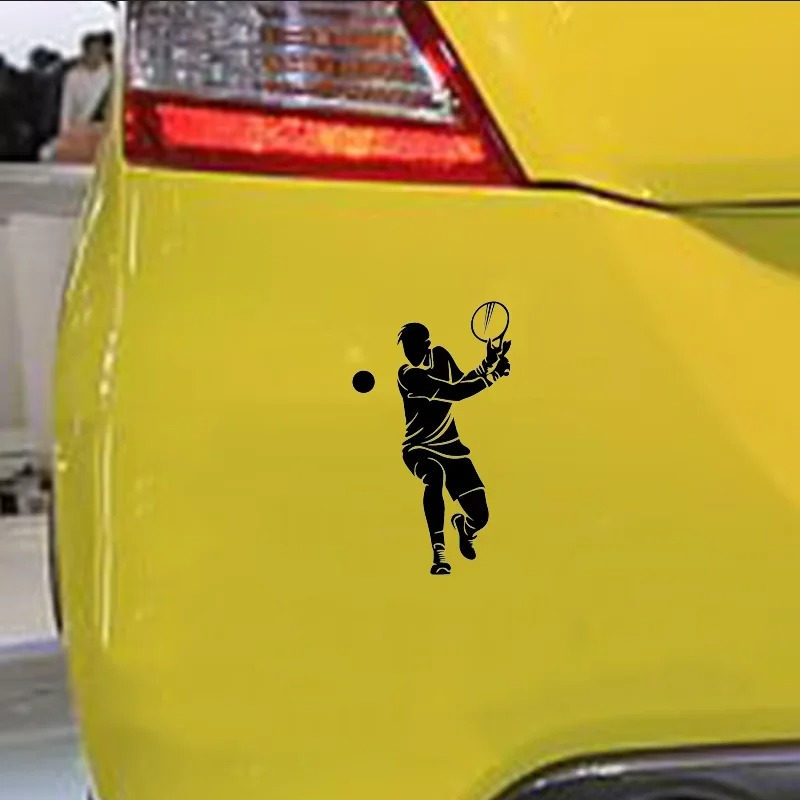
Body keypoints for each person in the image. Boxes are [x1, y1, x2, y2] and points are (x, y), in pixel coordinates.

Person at [397, 323, 512, 575]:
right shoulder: (407, 375)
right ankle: (439, 555)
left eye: (412, 347)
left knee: (481, 516)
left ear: (426, 345)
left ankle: (465, 528)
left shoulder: (441, 355)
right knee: (434, 474)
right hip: (419, 447)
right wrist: (493, 375)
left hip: (453, 449)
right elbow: (455, 393)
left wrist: (488, 362)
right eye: (405, 348)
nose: (408, 352)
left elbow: (461, 381)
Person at [59, 33, 111, 134]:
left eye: (100, 51)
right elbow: (67, 108)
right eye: (94, 51)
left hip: (106, 130)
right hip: (80, 130)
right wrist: (66, 133)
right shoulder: (73, 77)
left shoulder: (112, 75)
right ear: (85, 52)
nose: (97, 56)